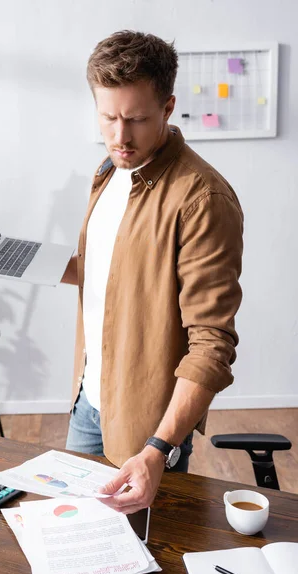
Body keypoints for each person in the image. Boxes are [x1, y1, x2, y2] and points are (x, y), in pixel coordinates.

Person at [61, 30, 243, 515]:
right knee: (74, 541)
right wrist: (29, 262)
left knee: (141, 568)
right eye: (109, 117)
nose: (121, 136)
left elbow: (212, 343)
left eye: (137, 119)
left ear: (167, 107)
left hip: (148, 426)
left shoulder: (202, 199)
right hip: (88, 399)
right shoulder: (110, 171)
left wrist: (159, 448)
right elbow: (119, 274)